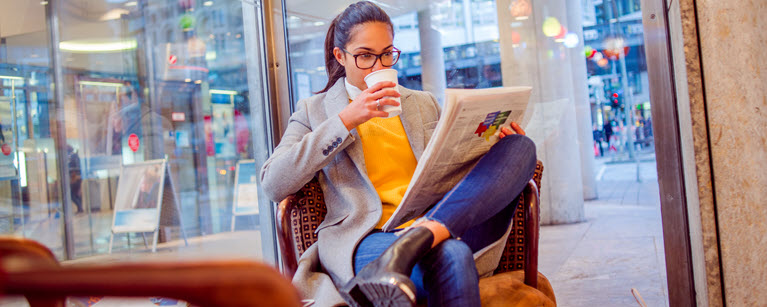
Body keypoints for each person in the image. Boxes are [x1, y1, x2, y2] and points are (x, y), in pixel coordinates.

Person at [259, 2, 536, 306]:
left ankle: (425, 234)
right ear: (340, 56)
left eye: (387, 54)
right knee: (451, 253)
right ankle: (421, 242)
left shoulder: (422, 103)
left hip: (447, 220)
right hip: (371, 239)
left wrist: (493, 146)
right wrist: (347, 119)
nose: (379, 67)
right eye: (365, 56)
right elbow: (274, 183)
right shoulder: (315, 111)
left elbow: (457, 162)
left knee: (520, 147)